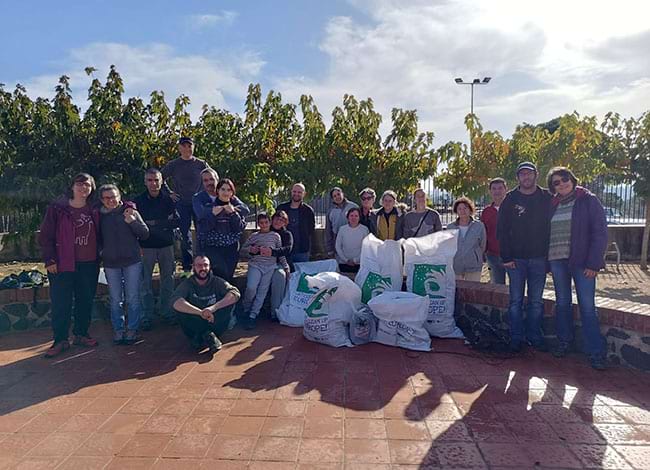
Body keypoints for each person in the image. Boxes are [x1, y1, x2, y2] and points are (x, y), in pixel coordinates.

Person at [547, 167, 608, 370]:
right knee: (562, 303)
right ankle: (565, 341)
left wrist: (594, 263)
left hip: (582, 263)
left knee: (587, 307)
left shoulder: (588, 200)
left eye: (565, 179)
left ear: (572, 179)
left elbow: (600, 233)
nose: (562, 183)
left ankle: (595, 352)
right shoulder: (553, 204)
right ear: (552, 187)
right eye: (556, 182)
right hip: (557, 261)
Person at [38, 173, 101, 358]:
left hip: (89, 264)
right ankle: (60, 340)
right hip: (62, 265)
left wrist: (129, 205)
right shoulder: (58, 208)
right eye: (79, 184)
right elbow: (45, 236)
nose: (83, 188)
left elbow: (118, 203)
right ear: (72, 186)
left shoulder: (95, 208)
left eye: (87, 185)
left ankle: (81, 334)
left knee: (85, 300)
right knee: (61, 303)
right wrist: (49, 259)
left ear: (92, 188)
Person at [497, 162, 552, 353]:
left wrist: (549, 258)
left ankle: (534, 337)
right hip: (516, 260)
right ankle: (516, 338)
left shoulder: (547, 197)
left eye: (529, 174)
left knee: (536, 301)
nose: (526, 177)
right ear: (518, 177)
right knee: (515, 301)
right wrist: (506, 257)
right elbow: (501, 230)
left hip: (539, 258)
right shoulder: (510, 199)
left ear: (536, 174)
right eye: (522, 174)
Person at [98, 184, 150, 345]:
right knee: (115, 299)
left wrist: (132, 222)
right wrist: (102, 252)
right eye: (106, 198)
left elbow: (145, 233)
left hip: (131, 261)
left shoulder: (130, 211)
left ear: (120, 196)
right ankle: (119, 330)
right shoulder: (99, 216)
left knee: (133, 297)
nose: (111, 200)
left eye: (113, 196)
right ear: (101, 200)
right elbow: (96, 237)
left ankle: (132, 330)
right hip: (110, 263)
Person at [134, 168, 180, 330]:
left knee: (168, 280)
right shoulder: (138, 201)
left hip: (166, 246)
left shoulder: (169, 200)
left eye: (156, 180)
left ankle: (166, 311)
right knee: (144, 282)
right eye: (150, 180)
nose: (153, 184)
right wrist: (161, 223)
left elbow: (176, 221)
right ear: (145, 182)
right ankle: (147, 315)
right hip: (145, 247)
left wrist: (152, 223)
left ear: (161, 182)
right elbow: (136, 224)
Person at [171, 255, 240, 353]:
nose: (203, 268)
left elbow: (235, 293)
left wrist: (213, 308)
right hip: (196, 319)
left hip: (214, 319)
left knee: (229, 302)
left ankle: (201, 337)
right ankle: (207, 336)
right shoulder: (187, 283)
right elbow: (175, 300)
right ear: (193, 267)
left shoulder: (217, 281)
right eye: (199, 265)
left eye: (205, 265)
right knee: (180, 309)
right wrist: (200, 312)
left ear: (210, 267)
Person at [162, 136, 211, 271]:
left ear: (193, 147)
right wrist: (169, 193)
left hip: (198, 202)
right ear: (179, 148)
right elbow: (160, 178)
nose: (187, 148)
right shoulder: (173, 164)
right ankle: (188, 267)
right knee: (185, 235)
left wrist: (206, 194)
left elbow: (212, 178)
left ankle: (203, 264)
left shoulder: (200, 164)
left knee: (202, 234)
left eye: (189, 146)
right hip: (182, 203)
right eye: (184, 146)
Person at [193, 172, 249, 281]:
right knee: (221, 274)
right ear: (218, 191)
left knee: (228, 275)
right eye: (223, 189)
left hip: (231, 247)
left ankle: (227, 297)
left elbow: (240, 225)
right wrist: (212, 214)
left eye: (229, 190)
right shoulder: (204, 203)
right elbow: (203, 225)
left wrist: (233, 213)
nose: (225, 192)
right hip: (213, 246)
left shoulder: (234, 205)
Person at [241, 213, 289, 330]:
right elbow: (242, 250)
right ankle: (246, 308)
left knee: (262, 291)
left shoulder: (275, 236)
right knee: (251, 287)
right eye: (261, 223)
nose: (264, 225)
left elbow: (280, 253)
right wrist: (251, 250)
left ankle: (253, 315)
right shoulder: (254, 236)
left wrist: (286, 266)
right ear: (258, 224)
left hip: (270, 267)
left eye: (266, 222)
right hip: (256, 265)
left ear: (269, 222)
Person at [447, 197, 486, 281]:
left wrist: (476, 255)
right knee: (457, 292)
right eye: (460, 209)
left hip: (473, 265)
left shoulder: (479, 226)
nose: (462, 211)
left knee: (472, 292)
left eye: (465, 208)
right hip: (456, 265)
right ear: (456, 211)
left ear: (470, 209)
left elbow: (483, 244)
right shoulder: (450, 227)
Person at [276, 183, 316, 264]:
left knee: (302, 275)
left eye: (299, 192)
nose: (296, 194)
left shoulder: (308, 210)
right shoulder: (281, 208)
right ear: (291, 192)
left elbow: (311, 230)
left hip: (302, 250)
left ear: (304, 194)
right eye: (294, 191)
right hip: (283, 249)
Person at [480, 178, 508, 284]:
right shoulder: (486, 212)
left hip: (513, 255)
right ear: (490, 191)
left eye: (500, 188)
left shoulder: (513, 208)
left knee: (516, 286)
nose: (497, 191)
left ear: (506, 189)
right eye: (494, 189)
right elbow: (484, 233)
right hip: (493, 255)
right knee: (497, 285)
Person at [269, 211, 293, 319]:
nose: (279, 221)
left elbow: (287, 249)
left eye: (282, 220)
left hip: (279, 264)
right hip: (262, 263)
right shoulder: (265, 231)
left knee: (280, 277)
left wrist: (272, 252)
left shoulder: (287, 234)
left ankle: (275, 312)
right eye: (277, 218)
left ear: (285, 223)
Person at [325, 187, 358, 257]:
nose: (337, 197)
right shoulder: (330, 211)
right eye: (334, 196)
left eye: (338, 194)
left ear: (342, 194)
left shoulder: (353, 207)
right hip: (337, 241)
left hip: (353, 241)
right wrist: (329, 249)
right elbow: (328, 231)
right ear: (332, 199)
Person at [335, 207, 369, 273]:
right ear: (348, 217)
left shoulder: (364, 229)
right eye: (351, 215)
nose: (353, 218)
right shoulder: (342, 229)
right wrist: (346, 260)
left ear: (359, 217)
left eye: (356, 216)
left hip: (359, 264)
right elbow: (338, 246)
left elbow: (366, 248)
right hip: (343, 263)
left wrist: (355, 260)